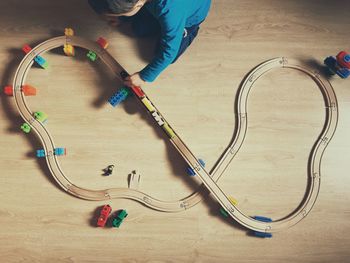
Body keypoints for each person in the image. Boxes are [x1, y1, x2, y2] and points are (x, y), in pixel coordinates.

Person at [88, 0, 211, 87]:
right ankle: (141, 17)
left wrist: (144, 76)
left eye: (120, 13)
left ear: (138, 4)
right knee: (138, 29)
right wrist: (123, 17)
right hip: (156, 7)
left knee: (166, 54)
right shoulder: (148, 5)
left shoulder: (171, 12)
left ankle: (190, 32)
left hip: (189, 18)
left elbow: (169, 52)